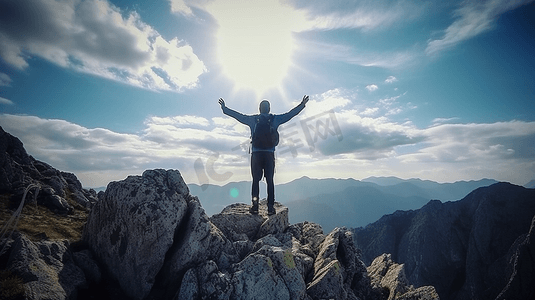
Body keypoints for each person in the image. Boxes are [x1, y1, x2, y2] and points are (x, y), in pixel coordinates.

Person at [218, 95, 309, 215]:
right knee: (270, 181)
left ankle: (255, 207)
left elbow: (238, 116)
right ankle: (270, 208)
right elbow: (290, 115)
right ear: (269, 109)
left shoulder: (253, 120)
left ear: (259, 109)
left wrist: (225, 109)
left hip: (256, 154)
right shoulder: (275, 119)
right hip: (269, 154)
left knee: (255, 180)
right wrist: (302, 105)